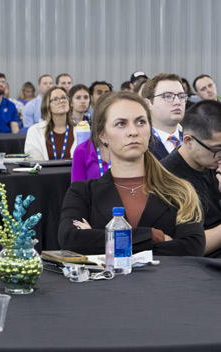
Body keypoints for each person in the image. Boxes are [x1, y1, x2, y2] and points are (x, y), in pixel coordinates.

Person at [58, 91, 204, 256]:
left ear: (150, 130)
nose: (133, 131)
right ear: (102, 135)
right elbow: (70, 240)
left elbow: (192, 248)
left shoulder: (181, 190)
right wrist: (155, 236)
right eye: (121, 124)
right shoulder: (82, 192)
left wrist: (102, 240)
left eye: (141, 122)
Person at [160, 100, 221, 257]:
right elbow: (189, 247)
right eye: (216, 150)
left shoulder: (212, 164)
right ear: (188, 141)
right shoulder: (168, 179)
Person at [141, 73, 186, 160]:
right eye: (168, 96)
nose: (177, 102)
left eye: (181, 96)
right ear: (148, 104)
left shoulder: (195, 141)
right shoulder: (140, 144)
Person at [24, 87, 77, 161]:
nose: (62, 101)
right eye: (55, 99)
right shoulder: (35, 131)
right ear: (47, 105)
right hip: (45, 172)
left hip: (73, 172)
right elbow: (34, 160)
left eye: (64, 97)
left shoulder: (80, 130)